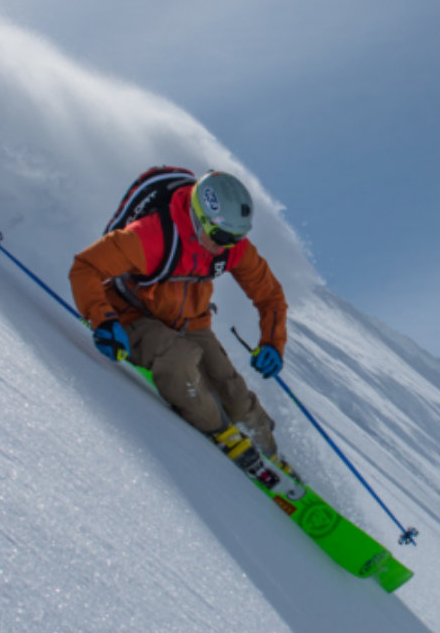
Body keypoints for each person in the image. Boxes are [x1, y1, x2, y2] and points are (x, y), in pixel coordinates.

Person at [70, 168, 294, 476]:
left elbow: (270, 296)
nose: (225, 246)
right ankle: (220, 432)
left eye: (235, 238)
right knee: (179, 360)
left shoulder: (232, 248)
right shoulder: (150, 236)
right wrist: (103, 320)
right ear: (199, 217)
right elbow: (86, 267)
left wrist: (272, 342)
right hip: (133, 313)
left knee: (234, 392)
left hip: (191, 319)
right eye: (220, 237)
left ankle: (269, 453)